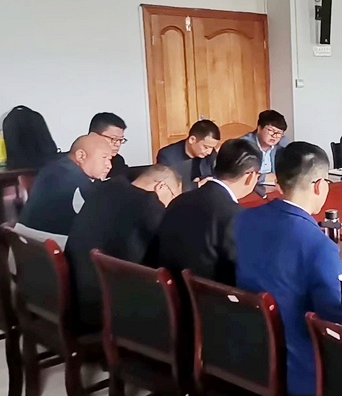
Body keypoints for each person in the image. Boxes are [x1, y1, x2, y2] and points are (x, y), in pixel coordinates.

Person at [235, 142, 342, 396]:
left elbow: (281, 263)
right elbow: (332, 329)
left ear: (278, 182)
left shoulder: (244, 219)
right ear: (319, 185)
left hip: (251, 354)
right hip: (299, 371)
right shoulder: (318, 244)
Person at [64, 165, 181, 331]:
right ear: (161, 187)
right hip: (109, 310)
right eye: (173, 198)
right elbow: (168, 252)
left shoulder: (105, 188)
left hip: (73, 295)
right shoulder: (149, 204)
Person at [154, 138, 262, 285]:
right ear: (250, 176)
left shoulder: (178, 201)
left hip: (170, 292)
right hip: (210, 295)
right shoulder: (236, 216)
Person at [19, 133, 113, 236]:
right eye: (104, 158)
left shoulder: (54, 168)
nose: (109, 165)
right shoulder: (75, 179)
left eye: (110, 159)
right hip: (51, 242)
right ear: (81, 156)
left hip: (24, 239)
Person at [155, 120, 221, 192]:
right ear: (192, 139)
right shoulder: (167, 155)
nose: (209, 152)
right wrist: (197, 185)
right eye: (206, 147)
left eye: (212, 147)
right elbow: (168, 187)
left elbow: (220, 176)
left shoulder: (210, 153)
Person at [240, 109, 288, 187]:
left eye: (279, 133)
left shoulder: (282, 145)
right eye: (271, 130)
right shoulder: (244, 145)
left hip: (272, 187)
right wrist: (263, 177)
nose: (274, 136)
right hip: (248, 187)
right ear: (259, 129)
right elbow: (240, 175)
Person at [89, 112, 130, 180]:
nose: (118, 144)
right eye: (113, 139)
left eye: (120, 140)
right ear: (93, 136)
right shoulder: (76, 161)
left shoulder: (117, 161)